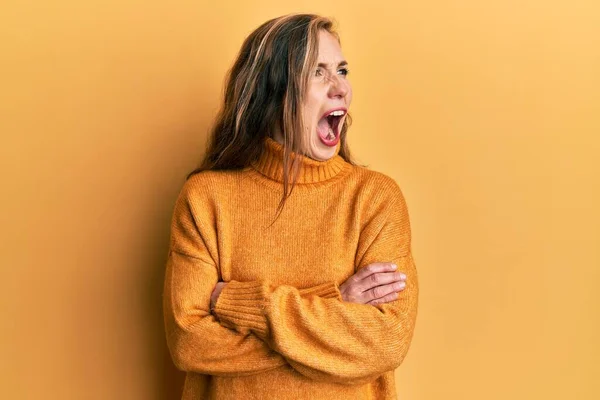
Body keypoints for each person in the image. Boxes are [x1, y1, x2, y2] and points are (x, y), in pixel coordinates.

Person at [163, 13, 419, 400]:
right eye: (318, 72)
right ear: (273, 91)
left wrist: (241, 304)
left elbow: (386, 342)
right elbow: (190, 341)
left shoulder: (375, 199)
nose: (340, 89)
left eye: (342, 70)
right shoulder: (206, 199)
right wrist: (336, 304)